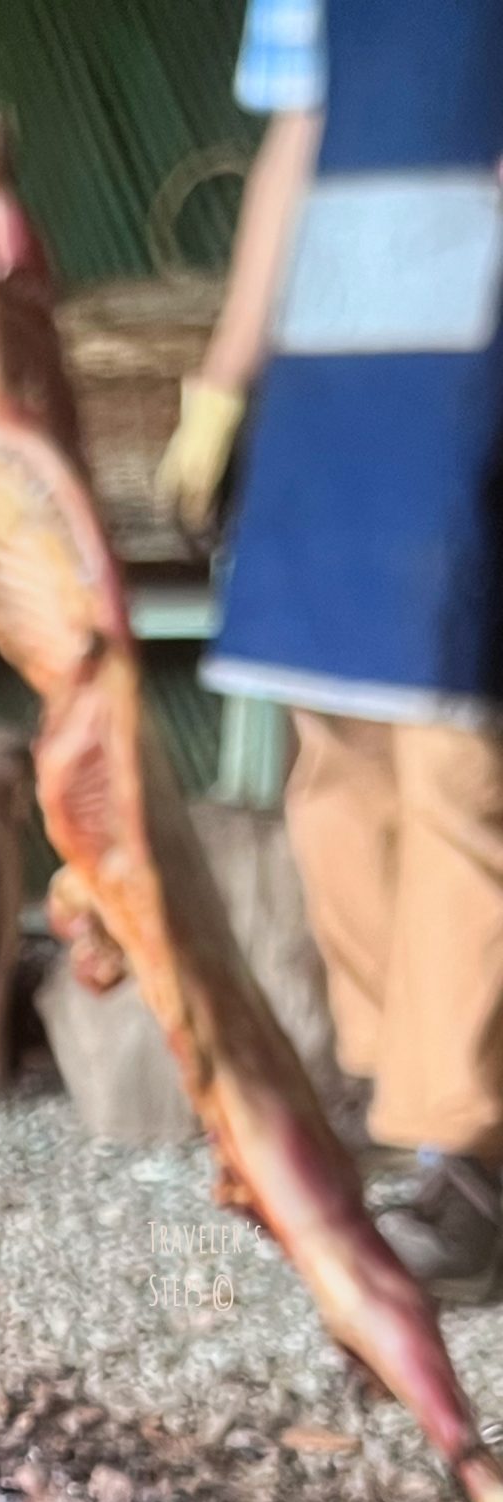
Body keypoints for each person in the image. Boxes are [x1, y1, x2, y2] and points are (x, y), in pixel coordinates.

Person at [159, 0, 503, 1301]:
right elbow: (297, 142)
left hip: (478, 357)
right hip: (335, 359)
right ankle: (396, 1091)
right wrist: (226, 382)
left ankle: (469, 1152)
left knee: (459, 752)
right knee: (336, 753)